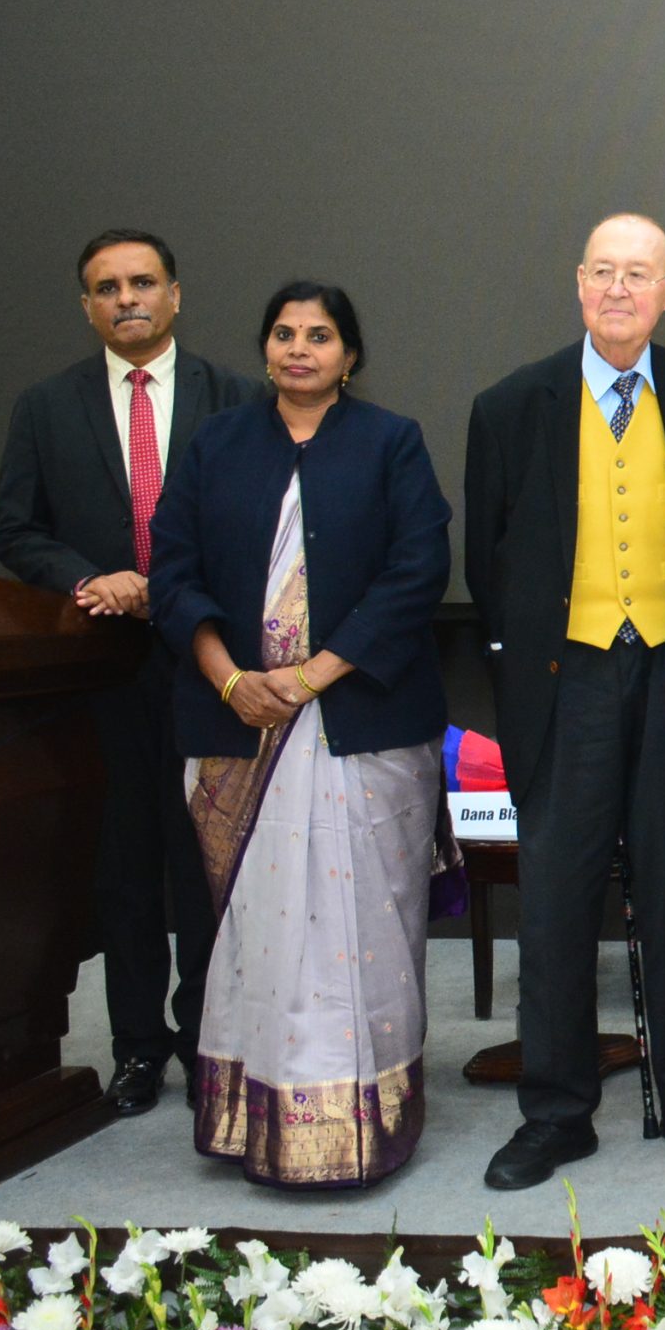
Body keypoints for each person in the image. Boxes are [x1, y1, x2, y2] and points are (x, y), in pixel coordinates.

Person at [464, 214, 665, 1191]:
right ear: (578, 283)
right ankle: (555, 1113)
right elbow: (490, 565)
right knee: (554, 905)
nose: (618, 289)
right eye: (602, 272)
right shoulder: (511, 406)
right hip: (567, 679)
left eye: (639, 273)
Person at [147, 282, 451, 1186]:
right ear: (265, 347)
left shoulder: (390, 441)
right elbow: (173, 572)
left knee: (364, 926)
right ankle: (256, 1114)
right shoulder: (217, 445)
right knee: (260, 931)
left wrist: (313, 676)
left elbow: (418, 569)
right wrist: (231, 679)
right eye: (283, 333)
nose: (299, 349)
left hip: (361, 722)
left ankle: (363, 1120)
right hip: (236, 721)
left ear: (349, 355)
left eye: (319, 335)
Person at [0, 229, 260, 1118]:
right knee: (126, 863)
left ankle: (211, 1039)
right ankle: (138, 1047)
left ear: (175, 294)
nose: (126, 299)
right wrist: (88, 577)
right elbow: (15, 529)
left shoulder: (236, 399)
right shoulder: (45, 406)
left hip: (209, 661)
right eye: (106, 288)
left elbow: (263, 524)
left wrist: (181, 588)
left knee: (208, 861)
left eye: (142, 282)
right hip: (104, 668)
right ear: (87, 306)